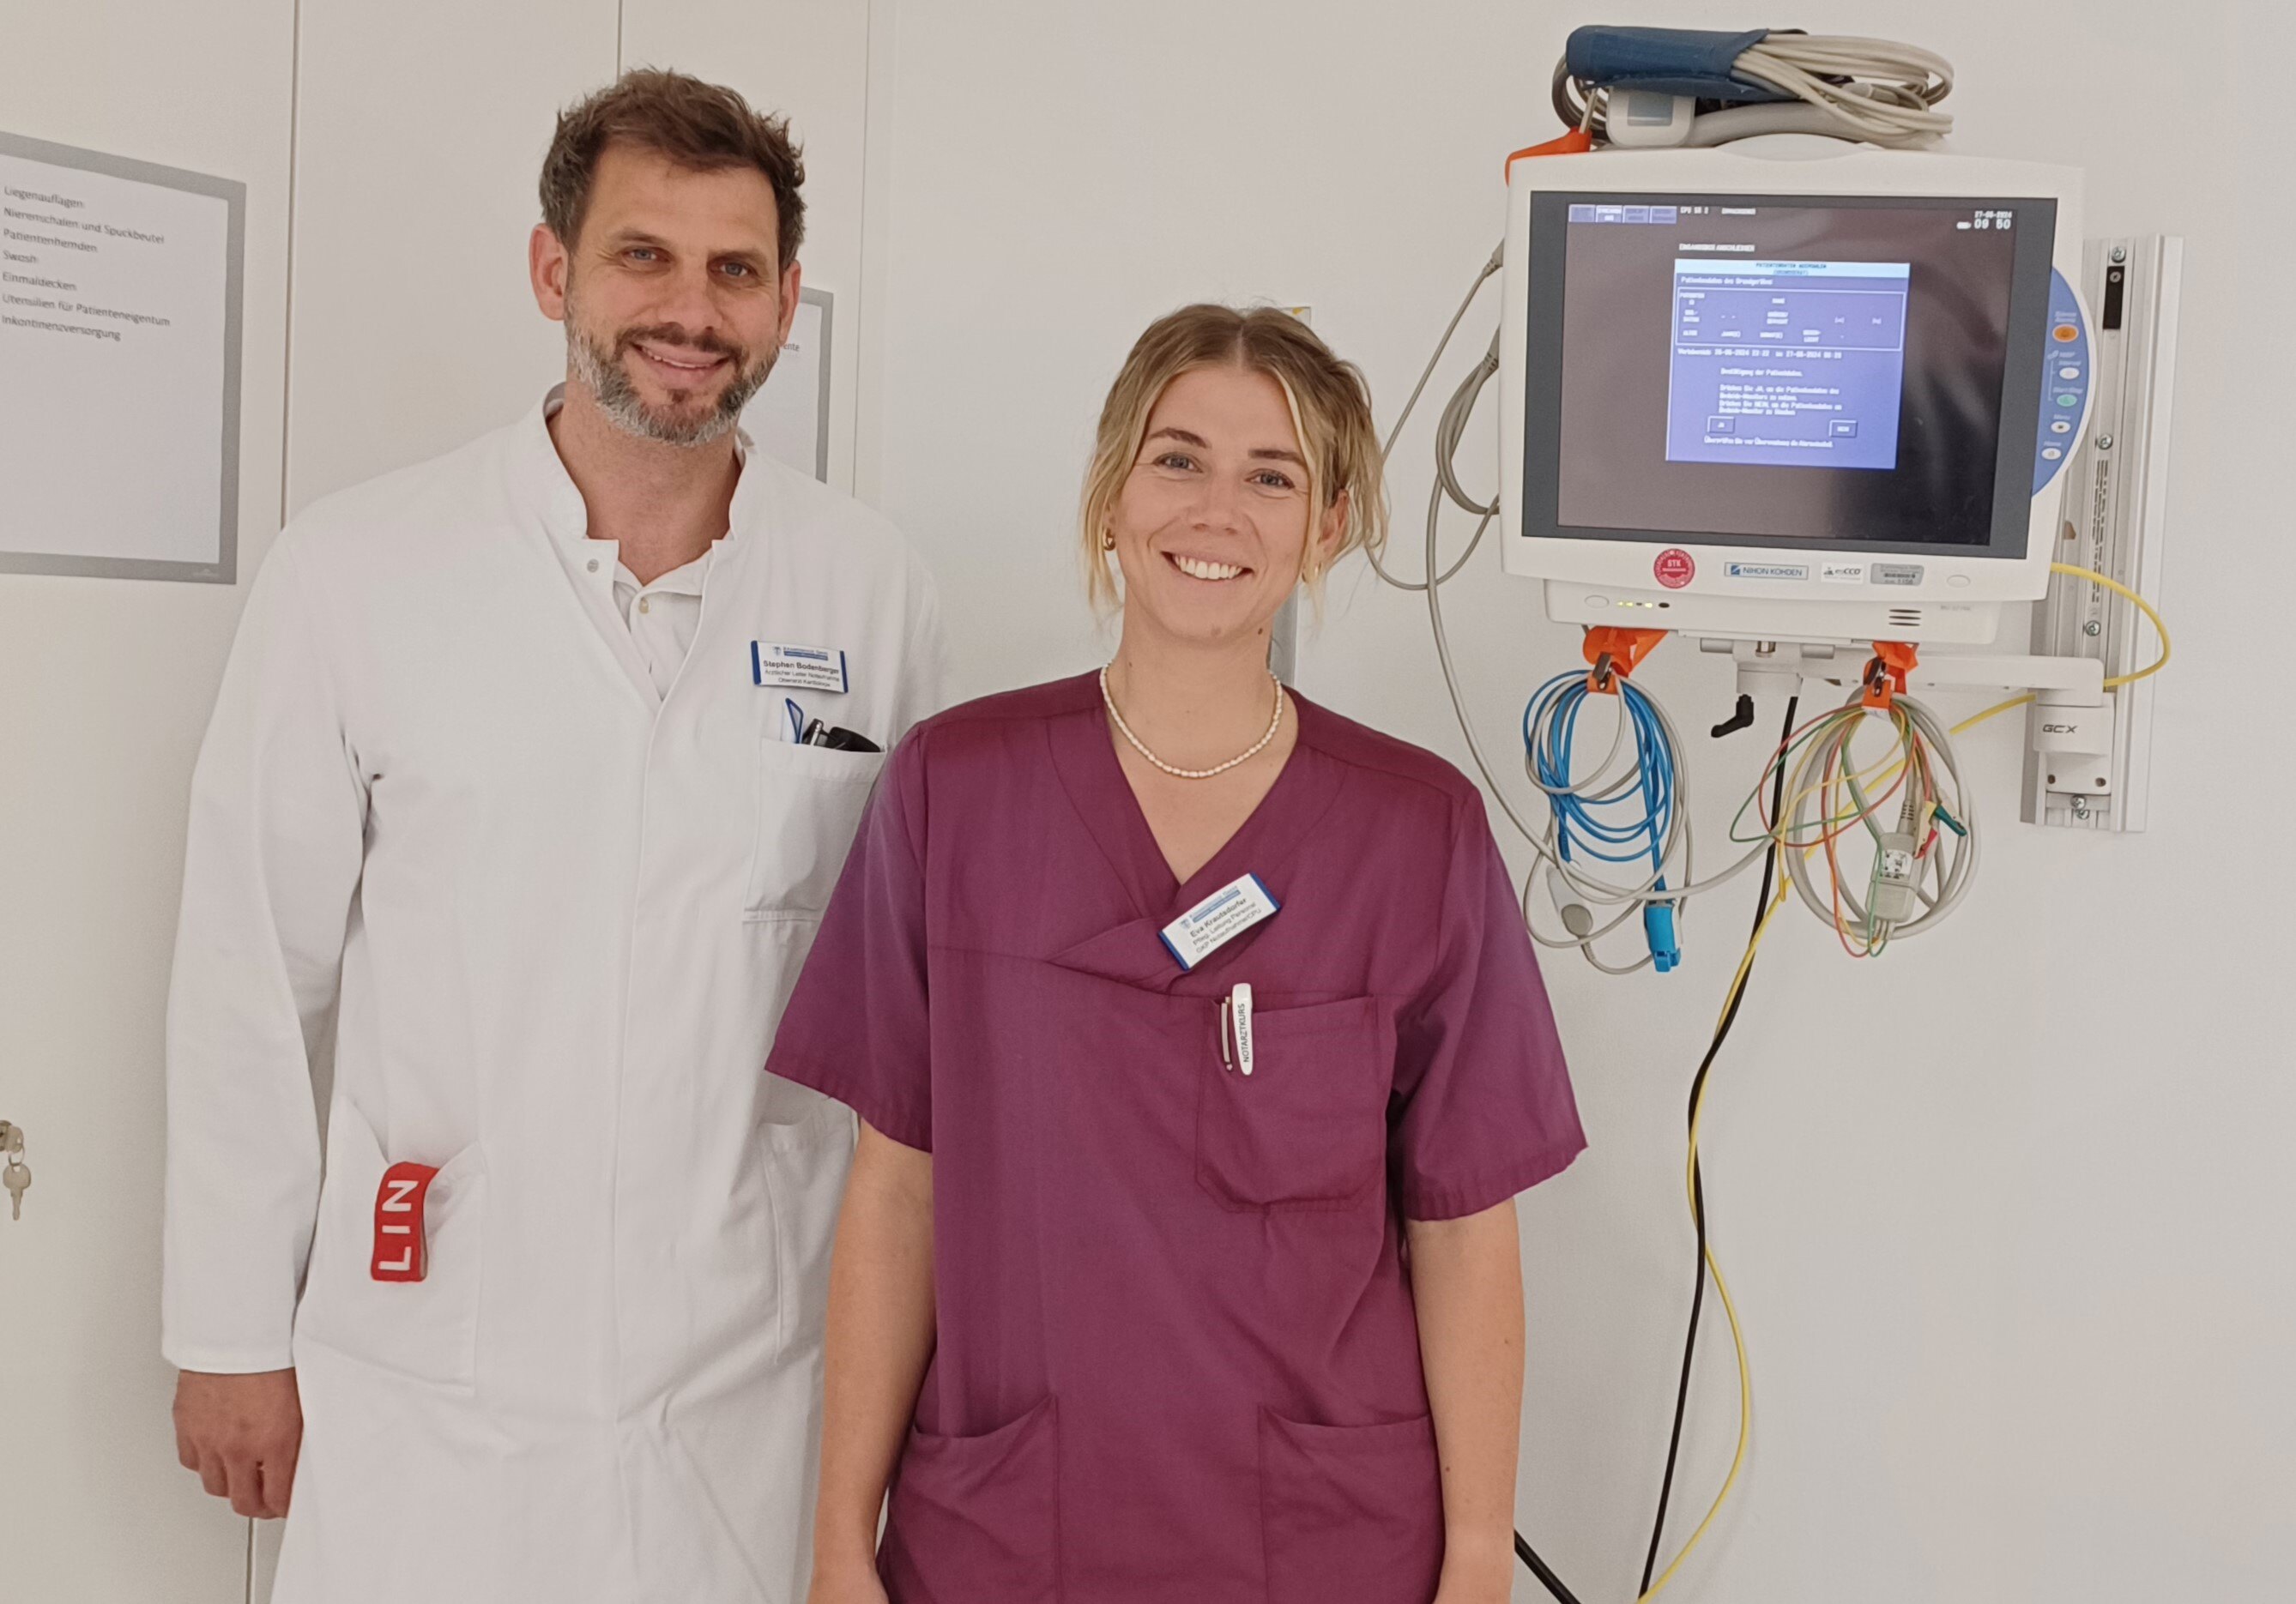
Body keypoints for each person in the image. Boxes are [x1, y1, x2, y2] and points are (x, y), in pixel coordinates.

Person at [162, 70, 943, 1604]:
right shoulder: (360, 570)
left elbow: (906, 1004)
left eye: (734, 271)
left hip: (750, 1380)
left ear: (788, 303)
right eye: (643, 256)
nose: (690, 311)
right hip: (435, 1370)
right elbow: (250, 962)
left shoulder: (874, 594)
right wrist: (229, 1331)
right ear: (553, 272)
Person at [768, 305, 1586, 1604]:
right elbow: (895, 1191)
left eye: (1275, 476)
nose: (1219, 509)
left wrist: (1480, 1558)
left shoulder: (1413, 829)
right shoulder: (955, 791)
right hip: (1011, 1532)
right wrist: (834, 1543)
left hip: (1324, 1543)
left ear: (1325, 530)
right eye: (1179, 458)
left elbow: (1466, 1224)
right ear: (1110, 497)